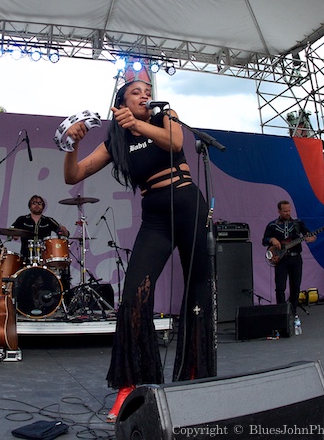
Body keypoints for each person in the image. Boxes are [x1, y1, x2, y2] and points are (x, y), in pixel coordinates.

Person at [62, 80, 214, 423]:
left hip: (188, 203)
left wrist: (140, 123)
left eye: (147, 90)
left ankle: (193, 377)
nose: (145, 94)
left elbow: (175, 142)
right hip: (156, 216)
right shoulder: (115, 141)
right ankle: (131, 384)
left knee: (197, 293)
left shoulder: (166, 117)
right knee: (134, 296)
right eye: (136, 92)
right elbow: (74, 175)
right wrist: (71, 145)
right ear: (120, 103)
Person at [262, 201, 317, 316]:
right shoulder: (272, 225)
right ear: (279, 211)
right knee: (280, 286)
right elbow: (264, 240)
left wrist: (311, 237)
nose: (288, 213)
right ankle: (281, 311)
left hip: (295, 258)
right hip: (281, 259)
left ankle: (292, 311)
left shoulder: (298, 223)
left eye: (289, 211)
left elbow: (308, 233)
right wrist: (272, 240)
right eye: (285, 211)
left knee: (295, 286)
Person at [9, 195, 70, 264]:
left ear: (43, 206)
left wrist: (64, 231)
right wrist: (14, 235)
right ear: (30, 206)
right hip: (26, 257)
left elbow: (63, 234)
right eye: (34, 203)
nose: (37, 205)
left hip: (44, 257)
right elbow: (10, 231)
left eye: (39, 203)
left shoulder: (48, 220)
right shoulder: (22, 219)